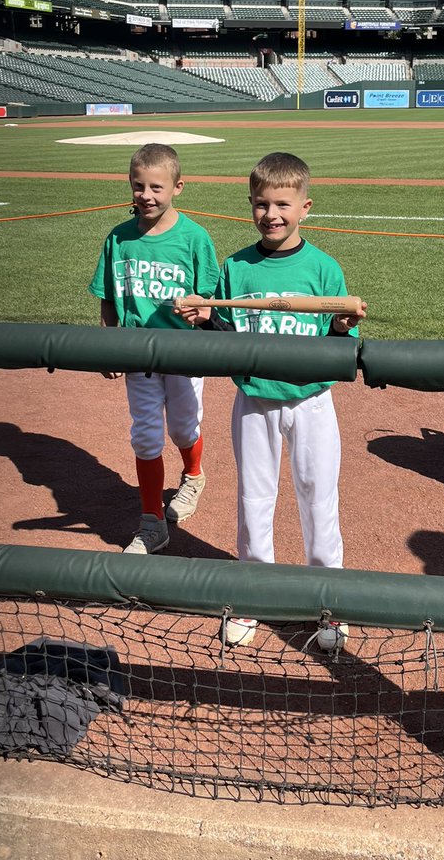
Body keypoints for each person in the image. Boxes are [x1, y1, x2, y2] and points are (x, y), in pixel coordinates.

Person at [178, 152, 366, 650]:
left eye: (283, 204)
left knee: (318, 499)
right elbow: (224, 330)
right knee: (255, 500)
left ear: (306, 207)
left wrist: (343, 327)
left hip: (311, 402)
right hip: (255, 400)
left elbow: (336, 337)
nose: (272, 214)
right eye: (262, 204)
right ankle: (252, 594)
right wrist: (204, 318)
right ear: (251, 206)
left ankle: (330, 602)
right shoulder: (236, 268)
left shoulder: (324, 269)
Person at [89, 143, 219, 555]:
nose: (146, 195)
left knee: (183, 427)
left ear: (178, 187)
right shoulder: (119, 238)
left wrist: (201, 310)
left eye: (157, 187)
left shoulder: (195, 238)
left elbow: (211, 297)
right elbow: (107, 295)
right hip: (137, 355)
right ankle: (152, 521)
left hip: (183, 354)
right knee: (145, 437)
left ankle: (194, 474)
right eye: (138, 185)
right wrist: (110, 341)